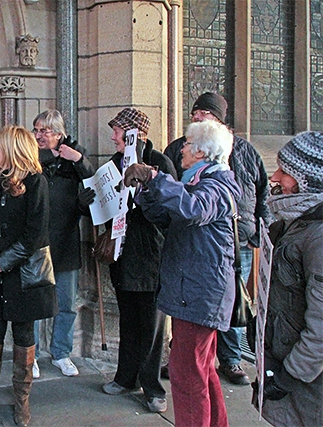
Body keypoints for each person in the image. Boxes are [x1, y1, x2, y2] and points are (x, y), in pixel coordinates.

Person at [125, 119, 240, 427]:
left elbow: (193, 209)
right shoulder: (198, 182)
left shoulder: (217, 186)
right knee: (201, 369)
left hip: (200, 293)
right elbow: (168, 218)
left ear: (202, 152)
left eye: (188, 144)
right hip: (192, 290)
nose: (183, 149)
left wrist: (155, 176)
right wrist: (147, 190)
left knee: (187, 374)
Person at [163, 92, 271, 385]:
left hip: (241, 239)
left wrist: (261, 233)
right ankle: (185, 356)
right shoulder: (177, 149)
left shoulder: (243, 152)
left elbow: (262, 191)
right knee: (196, 313)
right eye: (195, 112)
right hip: (197, 243)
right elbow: (174, 192)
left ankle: (231, 359)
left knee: (230, 302)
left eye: (205, 114)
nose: (197, 117)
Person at [0, 125, 57, 427]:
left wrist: (4, 261)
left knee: (23, 337)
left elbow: (34, 235)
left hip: (24, 278)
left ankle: (21, 403)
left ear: (12, 149)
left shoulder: (36, 183)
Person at [94, 108, 177, 413]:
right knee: (128, 319)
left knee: (152, 326)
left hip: (151, 255)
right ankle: (126, 377)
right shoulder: (113, 165)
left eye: (117, 130)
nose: (113, 136)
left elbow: (170, 210)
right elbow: (107, 204)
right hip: (123, 254)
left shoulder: (159, 163)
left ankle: (152, 387)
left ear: (133, 134)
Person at [254, 131, 323, 427]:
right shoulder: (294, 222)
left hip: (307, 386)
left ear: (305, 180)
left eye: (285, 172)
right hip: (283, 365)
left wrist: (291, 375)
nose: (275, 177)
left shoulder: (317, 237)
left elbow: (320, 325)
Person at [31, 109, 95, 378]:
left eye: (44, 131)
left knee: (67, 303)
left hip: (66, 241)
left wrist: (77, 158)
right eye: (36, 130)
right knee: (33, 304)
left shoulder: (74, 155)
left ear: (59, 133)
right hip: (36, 243)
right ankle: (30, 354)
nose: (38, 136)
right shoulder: (32, 157)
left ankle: (61, 352)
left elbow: (91, 178)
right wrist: (48, 156)